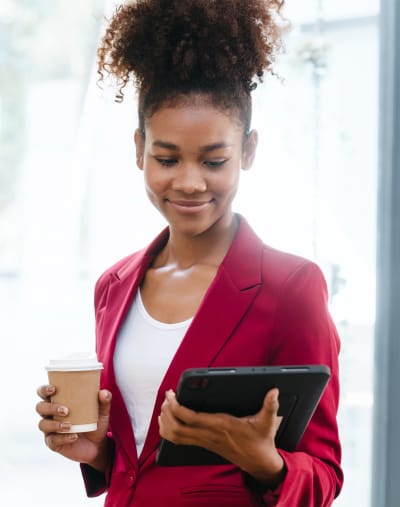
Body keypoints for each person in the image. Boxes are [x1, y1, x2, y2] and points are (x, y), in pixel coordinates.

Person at [36, 1, 343, 505]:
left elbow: (324, 475)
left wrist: (262, 461)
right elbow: (139, 461)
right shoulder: (114, 286)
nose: (190, 182)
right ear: (139, 149)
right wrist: (96, 451)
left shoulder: (291, 288)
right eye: (166, 158)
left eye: (214, 160)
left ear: (247, 151)